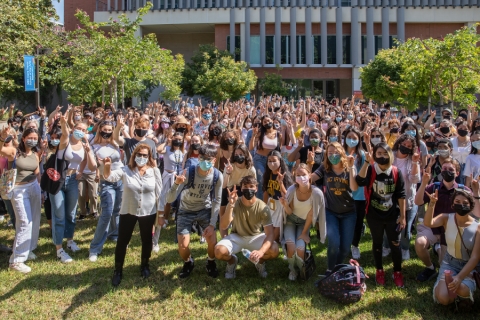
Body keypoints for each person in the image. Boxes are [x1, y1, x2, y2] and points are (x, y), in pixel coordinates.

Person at [104, 144, 162, 287]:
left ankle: (144, 265)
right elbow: (110, 177)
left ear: (149, 157)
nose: (141, 158)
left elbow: (160, 194)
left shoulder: (154, 171)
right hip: (128, 210)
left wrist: (160, 213)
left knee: (146, 240)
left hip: (148, 212)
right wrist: (106, 166)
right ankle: (118, 270)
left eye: (145, 155)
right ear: (134, 155)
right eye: (139, 154)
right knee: (122, 241)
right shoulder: (126, 170)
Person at [165, 144, 223, 278]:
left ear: (214, 160)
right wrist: (176, 183)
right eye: (201, 158)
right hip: (185, 210)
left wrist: (212, 224)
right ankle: (188, 262)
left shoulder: (217, 175)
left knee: (212, 242)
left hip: (205, 209)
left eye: (208, 159)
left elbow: (217, 200)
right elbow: (169, 198)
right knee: (183, 247)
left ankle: (210, 262)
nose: (203, 161)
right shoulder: (189, 172)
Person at [355, 142, 406, 288]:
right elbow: (359, 181)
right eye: (379, 154)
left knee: (395, 244)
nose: (382, 156)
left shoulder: (396, 172)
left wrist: (402, 216)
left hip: (392, 215)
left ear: (390, 154)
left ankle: (397, 272)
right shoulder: (371, 169)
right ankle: (379, 271)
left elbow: (401, 194)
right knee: (377, 243)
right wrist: (367, 162)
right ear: (374, 155)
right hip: (374, 215)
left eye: (385, 153)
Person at [50, 114, 97, 263]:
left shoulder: (84, 145)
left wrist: (81, 171)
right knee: (59, 215)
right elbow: (64, 133)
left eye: (83, 130)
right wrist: (64, 123)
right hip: (58, 181)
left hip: (72, 181)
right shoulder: (65, 142)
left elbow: (87, 163)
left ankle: (69, 241)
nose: (80, 131)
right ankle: (59, 249)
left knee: (71, 214)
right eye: (78, 128)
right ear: (73, 129)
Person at [215, 175, 279, 279]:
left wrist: (261, 252)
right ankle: (232, 261)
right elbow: (223, 225)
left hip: (255, 237)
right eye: (245, 186)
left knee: (274, 250)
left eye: (251, 186)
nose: (248, 189)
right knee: (219, 251)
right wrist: (230, 205)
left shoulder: (263, 207)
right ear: (241, 188)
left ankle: (260, 262)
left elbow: (270, 234)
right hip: (237, 236)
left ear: (256, 189)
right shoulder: (234, 203)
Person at [425, 188, 480, 309]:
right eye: (458, 201)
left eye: (465, 203)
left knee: (462, 289)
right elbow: (428, 223)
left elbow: (475, 257)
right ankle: (454, 297)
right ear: (452, 204)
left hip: (469, 266)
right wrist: (432, 203)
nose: (461, 205)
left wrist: (460, 277)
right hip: (449, 263)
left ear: (471, 205)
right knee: (443, 299)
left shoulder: (477, 227)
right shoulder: (446, 218)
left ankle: (465, 296)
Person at [414, 158, 468, 282]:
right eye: (444, 169)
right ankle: (430, 268)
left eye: (451, 169)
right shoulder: (434, 187)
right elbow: (418, 201)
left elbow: (475, 211)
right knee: (420, 244)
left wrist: (475, 192)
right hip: (432, 226)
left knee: (442, 263)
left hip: (451, 230)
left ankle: (438, 249)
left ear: (457, 173)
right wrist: (424, 183)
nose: (447, 171)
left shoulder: (463, 190)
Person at [311, 142, 357, 275]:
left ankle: (337, 268)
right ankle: (330, 270)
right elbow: (310, 178)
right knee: (333, 243)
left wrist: (352, 167)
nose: (333, 155)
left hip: (349, 213)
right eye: (330, 153)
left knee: (344, 248)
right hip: (330, 212)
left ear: (342, 153)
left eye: (335, 152)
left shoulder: (348, 168)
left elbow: (354, 188)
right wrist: (309, 164)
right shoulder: (325, 168)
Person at [0, 127, 42, 273]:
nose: (32, 140)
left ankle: (28, 249)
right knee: (24, 222)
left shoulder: (35, 154)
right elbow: (1, 151)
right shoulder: (14, 151)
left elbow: (37, 173)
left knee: (34, 220)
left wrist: (39, 188)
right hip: (18, 190)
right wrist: (2, 138)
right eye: (30, 137)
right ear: (23, 138)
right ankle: (16, 260)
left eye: (35, 138)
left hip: (33, 187)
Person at [280, 164, 326, 280]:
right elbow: (289, 213)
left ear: (310, 175)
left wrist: (305, 233)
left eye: (304, 174)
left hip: (304, 223)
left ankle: (302, 270)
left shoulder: (316, 193)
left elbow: (311, 215)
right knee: (291, 247)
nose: (301, 177)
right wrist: (285, 205)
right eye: (298, 175)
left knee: (300, 250)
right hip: (290, 221)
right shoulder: (292, 190)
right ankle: (292, 269)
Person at [88, 121, 124, 262]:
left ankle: (114, 234)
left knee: (117, 210)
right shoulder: (94, 147)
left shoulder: (115, 143)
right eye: (105, 129)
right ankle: (95, 248)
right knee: (106, 213)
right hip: (106, 183)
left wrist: (119, 127)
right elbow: (93, 166)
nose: (107, 132)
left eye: (110, 129)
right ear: (100, 130)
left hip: (119, 180)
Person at [387, 134, 421, 260]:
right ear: (399, 143)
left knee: (405, 228)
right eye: (404, 144)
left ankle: (405, 248)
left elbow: (414, 180)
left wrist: (415, 163)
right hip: (390, 198)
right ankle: (387, 246)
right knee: (389, 225)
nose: (405, 147)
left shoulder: (412, 160)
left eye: (409, 146)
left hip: (408, 200)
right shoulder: (391, 156)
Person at [220, 144, 256, 238]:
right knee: (223, 215)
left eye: (241, 153)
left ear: (246, 155)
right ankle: (224, 238)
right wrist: (228, 173)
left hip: (242, 190)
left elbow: (253, 186)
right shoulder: (230, 166)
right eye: (236, 154)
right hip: (228, 189)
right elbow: (224, 185)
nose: (238, 156)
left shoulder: (250, 169)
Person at [262, 150, 294, 243]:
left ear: (280, 161)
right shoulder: (268, 175)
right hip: (271, 203)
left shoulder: (285, 175)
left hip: (281, 204)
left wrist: (280, 183)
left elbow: (287, 195)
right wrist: (263, 207)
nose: (272, 163)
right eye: (269, 161)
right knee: (269, 230)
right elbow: (266, 191)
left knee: (275, 237)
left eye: (274, 160)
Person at [250, 115, 281, 199]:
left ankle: (269, 200)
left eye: (268, 120)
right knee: (261, 180)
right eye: (265, 122)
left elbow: (280, 149)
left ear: (272, 120)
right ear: (262, 124)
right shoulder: (260, 133)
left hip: (271, 160)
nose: (267, 123)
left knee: (270, 180)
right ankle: (260, 202)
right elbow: (251, 147)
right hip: (259, 159)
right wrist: (253, 135)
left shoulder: (278, 133)